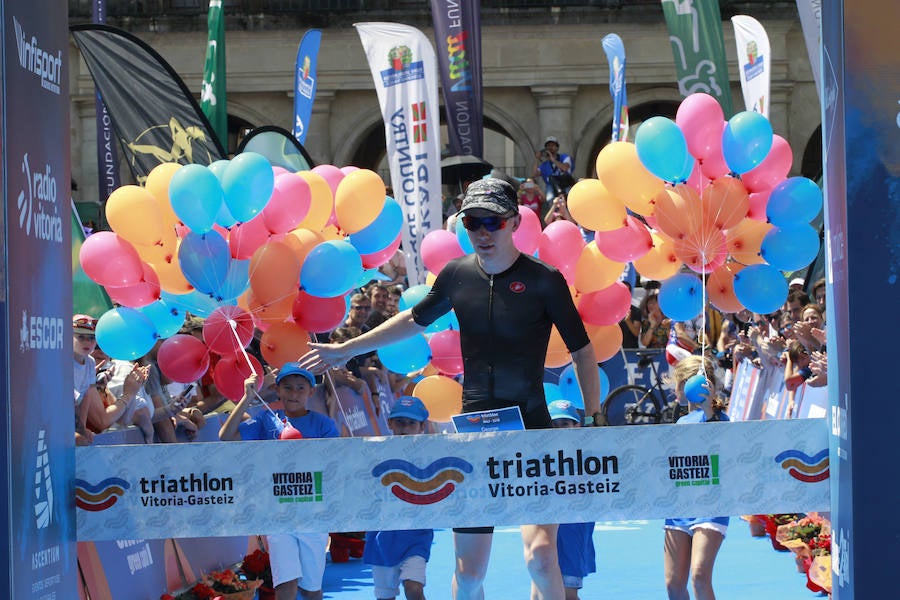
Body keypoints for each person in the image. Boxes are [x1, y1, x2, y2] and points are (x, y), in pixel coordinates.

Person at [299, 177, 602, 600]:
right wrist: (348, 348)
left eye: (491, 222)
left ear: (513, 222)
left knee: (540, 557)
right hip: (475, 433)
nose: (481, 232)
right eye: (472, 221)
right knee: (471, 572)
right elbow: (413, 320)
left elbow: (583, 351)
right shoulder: (457, 275)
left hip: (533, 430)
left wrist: (593, 418)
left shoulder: (544, 280)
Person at [219, 363, 339, 600]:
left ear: (311, 392)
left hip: (313, 514)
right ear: (277, 390)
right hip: (277, 514)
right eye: (288, 388)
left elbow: (334, 464)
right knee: (285, 584)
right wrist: (246, 398)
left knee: (311, 589)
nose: (294, 394)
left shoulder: (324, 425)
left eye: (300, 388)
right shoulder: (266, 419)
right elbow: (226, 436)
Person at [664, 355, 728, 600]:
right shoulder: (681, 420)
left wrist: (710, 408)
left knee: (699, 576)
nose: (674, 390)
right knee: (673, 586)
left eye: (678, 383)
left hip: (711, 506)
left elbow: (723, 444)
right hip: (679, 505)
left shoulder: (719, 418)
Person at [363, 396, 434, 600]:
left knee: (414, 588)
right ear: (390, 423)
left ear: (422, 426)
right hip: (380, 537)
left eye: (411, 423)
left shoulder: (432, 455)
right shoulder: (372, 453)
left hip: (417, 536)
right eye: (400, 422)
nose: (405, 428)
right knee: (385, 597)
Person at [547, 400, 596, 600]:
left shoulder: (591, 457)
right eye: (554, 425)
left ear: (578, 426)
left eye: (565, 424)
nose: (559, 430)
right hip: (547, 529)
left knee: (568, 593)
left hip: (573, 532)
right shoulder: (539, 455)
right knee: (545, 588)